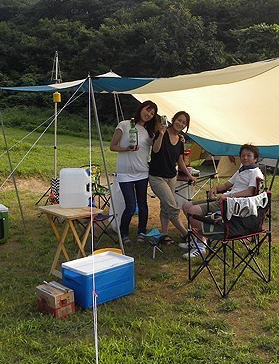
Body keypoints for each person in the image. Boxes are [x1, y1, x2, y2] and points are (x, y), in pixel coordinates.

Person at [181, 143, 263, 259]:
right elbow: (227, 184)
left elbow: (250, 192)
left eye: (249, 155)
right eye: (243, 155)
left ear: (255, 158)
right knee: (186, 205)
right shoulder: (242, 170)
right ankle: (197, 239)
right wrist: (215, 188)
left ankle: (201, 245)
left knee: (193, 211)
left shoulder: (255, 172)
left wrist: (230, 196)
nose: (245, 158)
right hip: (225, 200)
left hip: (232, 205)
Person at [109, 100, 158, 245]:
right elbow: (112, 146)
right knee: (130, 206)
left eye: (152, 113)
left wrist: (177, 137)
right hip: (125, 173)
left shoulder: (150, 132)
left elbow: (158, 148)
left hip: (142, 172)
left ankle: (141, 232)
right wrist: (126, 149)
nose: (148, 114)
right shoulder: (124, 125)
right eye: (147, 110)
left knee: (143, 204)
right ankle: (124, 234)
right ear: (141, 108)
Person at [148, 111, 194, 245]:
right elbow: (155, 151)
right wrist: (161, 134)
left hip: (171, 177)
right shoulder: (161, 132)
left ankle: (164, 234)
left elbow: (180, 161)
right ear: (173, 120)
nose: (180, 123)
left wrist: (190, 175)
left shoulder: (180, 141)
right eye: (179, 120)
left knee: (165, 206)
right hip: (157, 177)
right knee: (172, 206)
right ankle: (186, 234)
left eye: (184, 123)